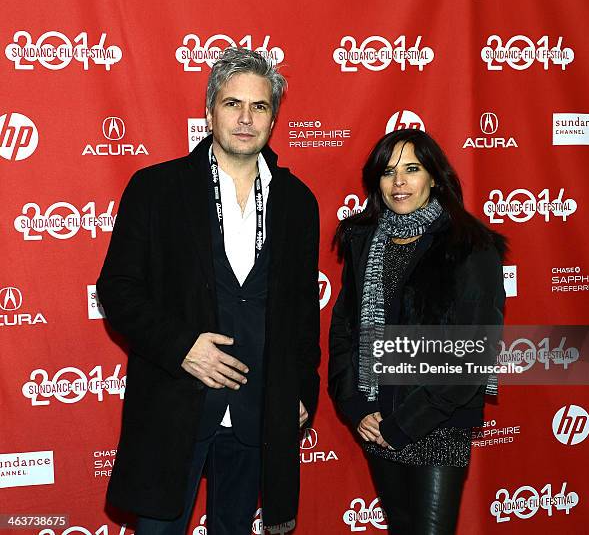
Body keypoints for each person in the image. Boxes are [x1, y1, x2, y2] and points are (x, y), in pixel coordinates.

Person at [97, 47, 320, 535]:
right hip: (175, 406)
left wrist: (302, 387)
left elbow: (303, 308)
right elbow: (117, 289)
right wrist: (183, 348)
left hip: (260, 409)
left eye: (258, 107)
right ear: (209, 111)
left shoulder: (298, 202)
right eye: (232, 103)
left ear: (274, 117)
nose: (245, 118)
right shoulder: (156, 188)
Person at [328, 129, 506, 534]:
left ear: (435, 178)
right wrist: (356, 406)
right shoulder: (364, 241)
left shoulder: (470, 247)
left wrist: (404, 423)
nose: (399, 182)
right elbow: (344, 332)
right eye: (389, 172)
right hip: (375, 420)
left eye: (412, 169)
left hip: (437, 423)